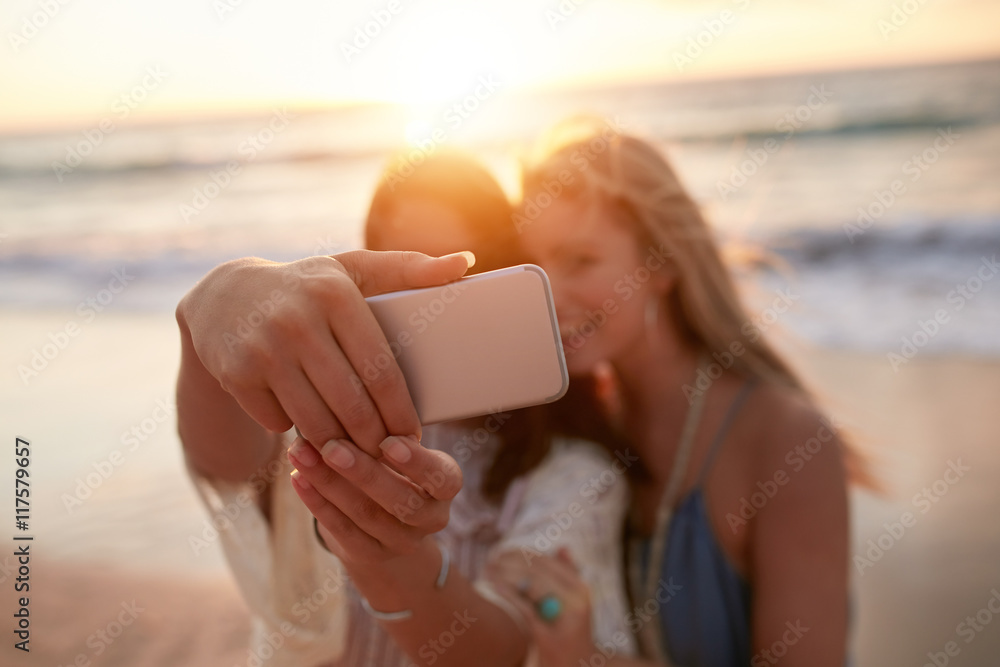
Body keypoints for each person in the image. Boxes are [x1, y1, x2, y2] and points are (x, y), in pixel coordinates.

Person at [176, 149, 637, 666]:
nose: (430, 297)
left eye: (458, 267)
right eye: (402, 270)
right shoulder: (318, 413)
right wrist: (212, 308)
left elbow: (508, 651)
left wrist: (389, 558)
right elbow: (227, 465)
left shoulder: (569, 471)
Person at [480, 122, 874, 666]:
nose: (548, 292)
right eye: (535, 264)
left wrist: (586, 659)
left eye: (581, 261)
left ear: (660, 264)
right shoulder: (580, 427)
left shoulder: (786, 442)